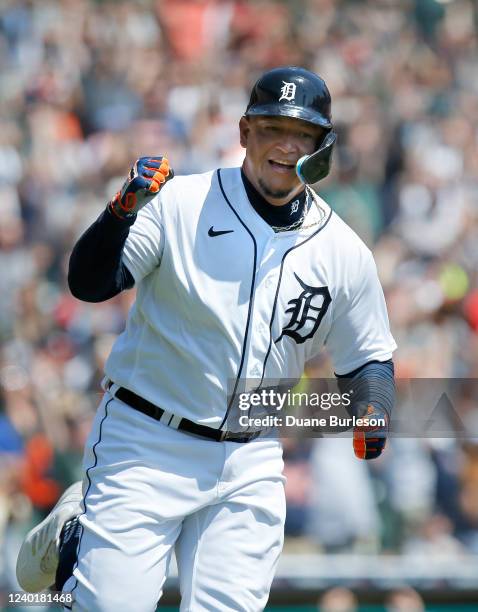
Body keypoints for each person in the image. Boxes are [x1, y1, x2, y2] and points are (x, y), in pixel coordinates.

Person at [16, 66, 396, 611]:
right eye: (273, 129)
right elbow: (88, 283)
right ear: (244, 133)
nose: (287, 146)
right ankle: (78, 530)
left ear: (323, 147)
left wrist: (373, 407)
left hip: (249, 459)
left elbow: (370, 357)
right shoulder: (181, 203)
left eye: (303, 134)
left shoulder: (344, 251)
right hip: (146, 440)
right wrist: (121, 210)